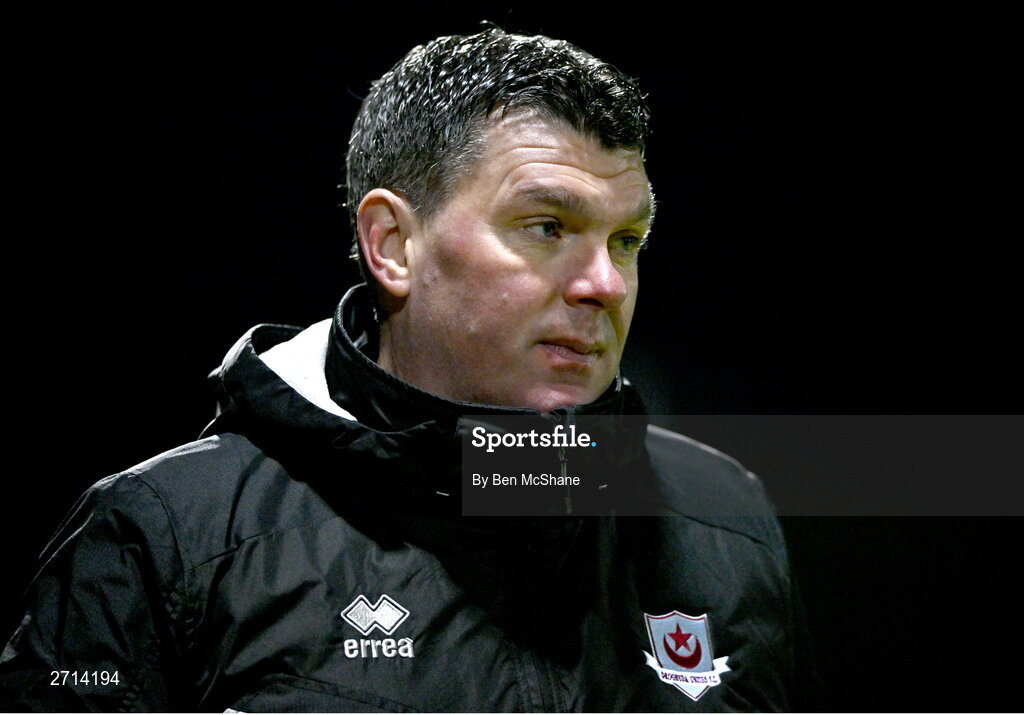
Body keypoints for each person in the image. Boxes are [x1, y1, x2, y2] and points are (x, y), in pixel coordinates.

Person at [0, 29, 806, 711]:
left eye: (625, 239)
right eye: (547, 225)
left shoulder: (723, 517)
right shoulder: (165, 536)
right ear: (393, 245)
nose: (604, 282)